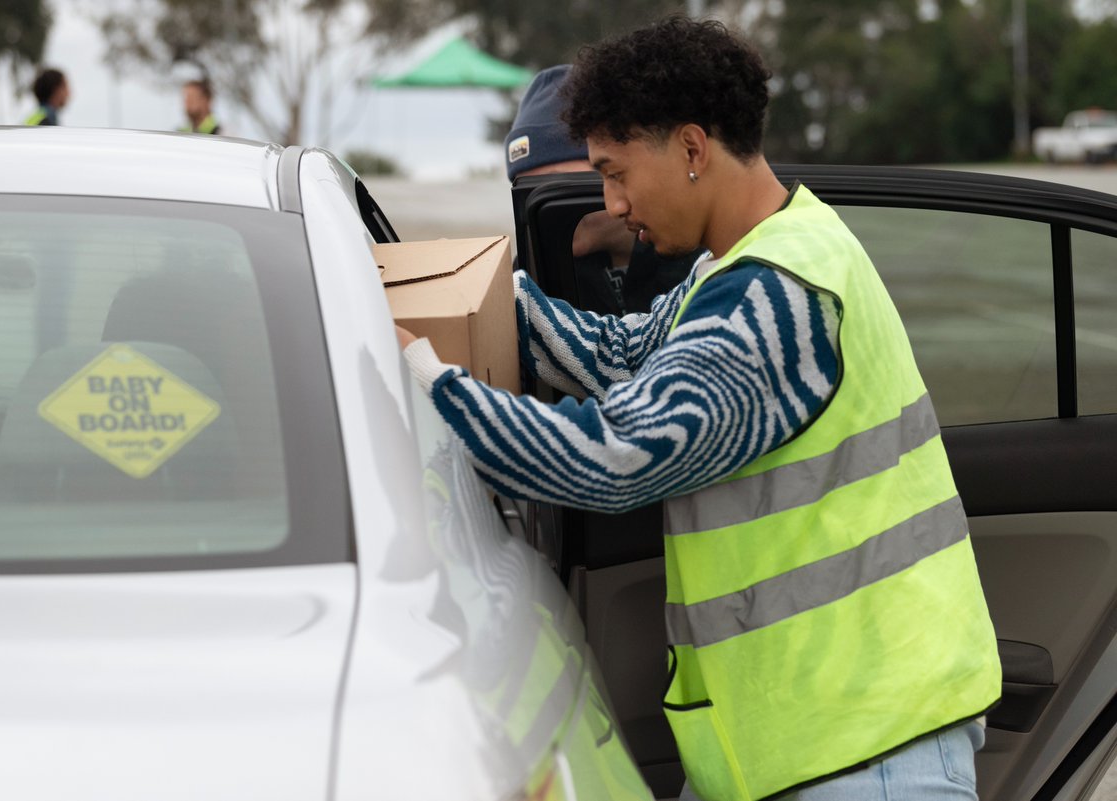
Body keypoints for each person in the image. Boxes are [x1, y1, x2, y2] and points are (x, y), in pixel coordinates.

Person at [399, 16, 1001, 801]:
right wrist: (473, 298)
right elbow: (624, 353)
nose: (612, 206)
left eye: (615, 172)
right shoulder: (753, 259)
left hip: (862, 757)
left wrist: (420, 378)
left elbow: (617, 456)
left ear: (690, 148)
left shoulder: (776, 296)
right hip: (801, 749)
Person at [504, 64, 697, 316]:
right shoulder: (531, 276)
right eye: (525, 192)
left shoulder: (693, 252)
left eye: (554, 188)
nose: (540, 208)